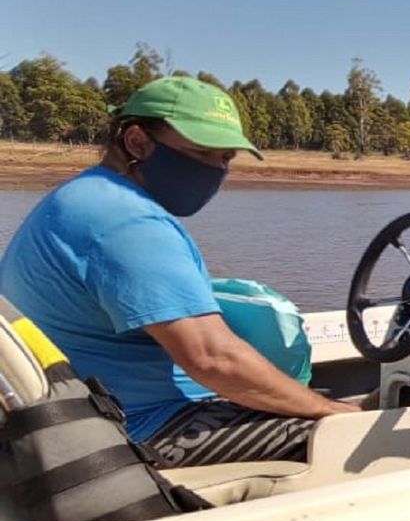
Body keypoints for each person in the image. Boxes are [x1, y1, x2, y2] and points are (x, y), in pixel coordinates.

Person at [0, 76, 360, 469]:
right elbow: (213, 359)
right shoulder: (126, 222)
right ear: (137, 142)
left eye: (225, 158)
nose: (214, 170)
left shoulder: (86, 195)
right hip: (130, 430)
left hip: (73, 420)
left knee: (326, 406)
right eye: (201, 152)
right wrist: (332, 412)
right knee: (351, 437)